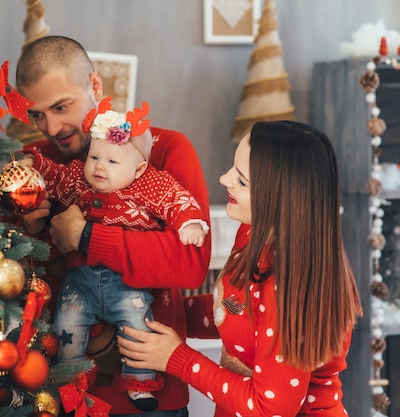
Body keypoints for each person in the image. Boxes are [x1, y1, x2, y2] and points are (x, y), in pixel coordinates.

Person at [15, 35, 211, 416]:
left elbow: (191, 263)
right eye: (37, 114)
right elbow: (11, 283)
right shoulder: (38, 165)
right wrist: (32, 231)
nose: (51, 127)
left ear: (94, 85)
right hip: (60, 395)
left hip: (152, 401)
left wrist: (87, 236)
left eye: (61, 106)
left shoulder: (166, 150)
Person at [116, 121, 364, 417]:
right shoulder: (252, 233)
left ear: (281, 198)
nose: (224, 179)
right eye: (233, 169)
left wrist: (176, 358)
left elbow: (270, 407)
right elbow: (236, 311)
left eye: (242, 181)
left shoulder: (288, 286)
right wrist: (165, 315)